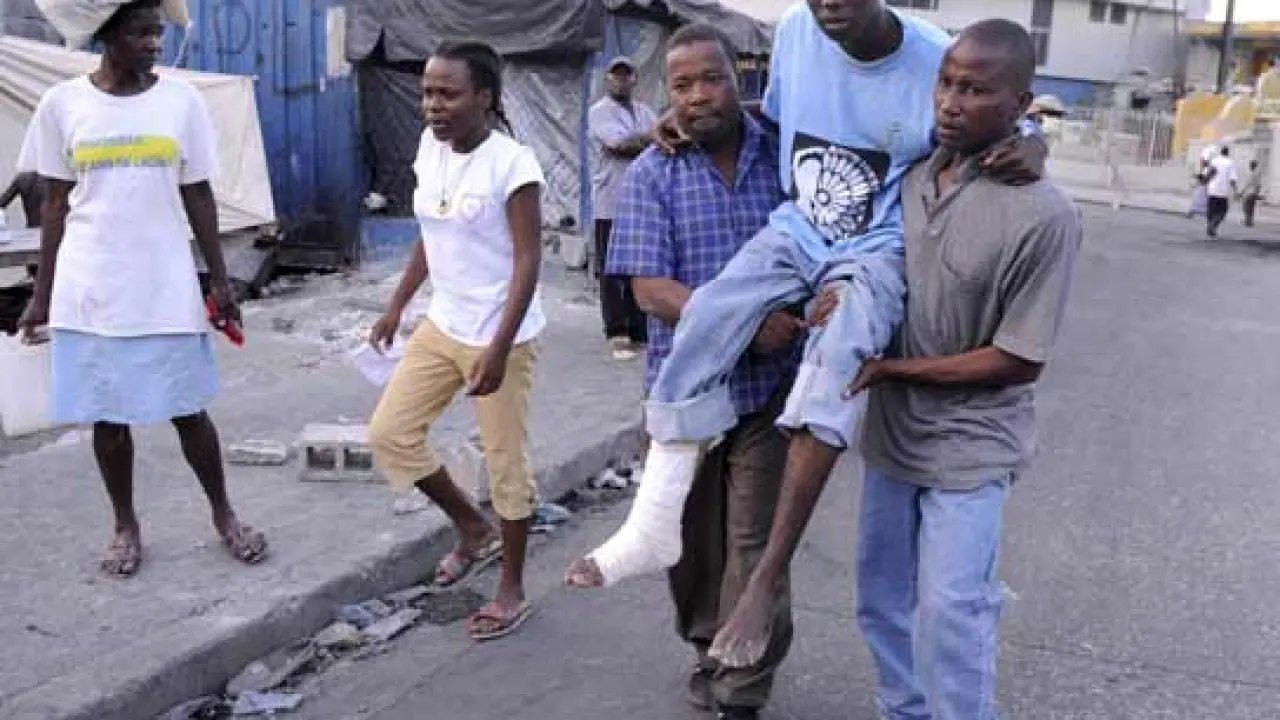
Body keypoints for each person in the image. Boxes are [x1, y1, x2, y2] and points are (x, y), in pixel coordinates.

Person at [565, 0, 1045, 649]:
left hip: (874, 249)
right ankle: (654, 521)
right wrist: (685, 116)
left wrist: (1033, 141)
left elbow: (997, 119)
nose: (829, 5)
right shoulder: (795, 32)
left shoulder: (938, 58)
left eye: (710, 80)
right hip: (795, 233)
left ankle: (765, 579)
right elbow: (778, 117)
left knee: (835, 361)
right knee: (708, 313)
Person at [809, 20, 1082, 718]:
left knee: (952, 610)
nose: (952, 103)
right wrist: (842, 295)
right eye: (946, 83)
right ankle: (905, 710)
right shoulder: (910, 175)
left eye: (976, 90)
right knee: (880, 599)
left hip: (972, 445)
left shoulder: (1044, 214)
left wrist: (895, 371)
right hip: (894, 439)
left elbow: (1018, 360)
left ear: (1021, 104)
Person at [15, 0, 266, 577]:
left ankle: (224, 515)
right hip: (90, 284)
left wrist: (220, 280)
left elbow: (198, 193)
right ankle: (125, 526)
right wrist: (41, 296)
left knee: (188, 409)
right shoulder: (62, 104)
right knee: (108, 417)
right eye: (141, 33)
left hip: (164, 281)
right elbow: (54, 206)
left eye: (157, 33)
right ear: (106, 36)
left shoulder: (182, 101)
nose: (155, 43)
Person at [604, 25, 799, 720]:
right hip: (685, 395)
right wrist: (744, 324)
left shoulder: (785, 155)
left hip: (771, 391)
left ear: (738, 78)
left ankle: (742, 688)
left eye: (710, 79)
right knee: (691, 544)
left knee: (754, 542)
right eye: (681, 85)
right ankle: (708, 647)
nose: (696, 96)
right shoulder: (653, 173)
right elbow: (650, 290)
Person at [367, 41, 544, 642]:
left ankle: (512, 588)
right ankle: (472, 527)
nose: (433, 106)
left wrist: (498, 347)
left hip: (501, 335)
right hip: (443, 324)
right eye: (427, 93)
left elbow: (528, 261)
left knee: (506, 465)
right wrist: (397, 305)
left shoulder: (513, 164)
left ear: (485, 98)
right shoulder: (428, 147)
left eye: (448, 93)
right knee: (390, 433)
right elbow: (431, 231)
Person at [589, 56, 656, 360]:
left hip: (641, 200)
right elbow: (618, 145)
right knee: (611, 268)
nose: (621, 80)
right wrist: (651, 140)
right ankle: (616, 331)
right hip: (611, 201)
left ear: (634, 79)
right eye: (616, 75)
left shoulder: (644, 112)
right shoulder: (599, 112)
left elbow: (664, 141)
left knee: (638, 265)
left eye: (626, 75)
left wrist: (646, 140)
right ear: (608, 79)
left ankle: (639, 330)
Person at [1206, 145, 1238, 238]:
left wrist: (1205, 181)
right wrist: (1235, 189)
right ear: (1227, 153)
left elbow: (1210, 173)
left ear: (1221, 152)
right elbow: (1232, 178)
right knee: (1222, 211)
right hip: (1223, 192)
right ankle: (1213, 225)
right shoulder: (1230, 163)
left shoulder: (1214, 161)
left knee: (1211, 210)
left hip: (1212, 190)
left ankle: (1211, 225)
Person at [1241, 159, 1264, 227]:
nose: (1249, 166)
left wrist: (1242, 191)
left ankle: (1248, 221)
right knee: (1250, 208)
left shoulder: (1253, 174)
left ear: (1252, 166)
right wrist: (1257, 192)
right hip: (1251, 193)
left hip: (1250, 193)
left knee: (1247, 207)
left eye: (1250, 165)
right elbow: (1258, 184)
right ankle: (1249, 221)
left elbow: (1249, 184)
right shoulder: (1254, 174)